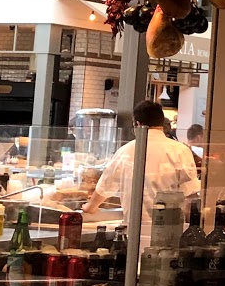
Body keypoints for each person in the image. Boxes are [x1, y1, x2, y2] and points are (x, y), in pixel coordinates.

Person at [84, 101, 201, 250]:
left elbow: (105, 187)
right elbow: (191, 195)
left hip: (134, 232)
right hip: (170, 232)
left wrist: (90, 207)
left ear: (137, 124)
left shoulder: (125, 151)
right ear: (161, 122)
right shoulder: (180, 150)